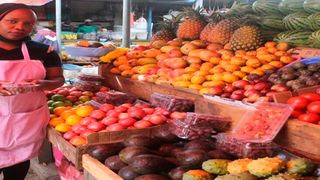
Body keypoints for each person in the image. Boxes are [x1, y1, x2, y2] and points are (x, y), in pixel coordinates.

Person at [0, 3, 65, 180]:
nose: (20, 27)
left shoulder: (44, 51)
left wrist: (42, 84)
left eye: (27, 24)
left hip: (24, 121)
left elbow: (58, 80)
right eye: (12, 21)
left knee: (18, 167)